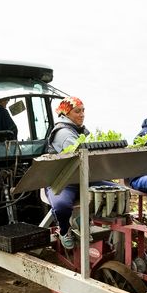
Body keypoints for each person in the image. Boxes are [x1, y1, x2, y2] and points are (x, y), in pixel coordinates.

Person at [46, 97, 90, 249]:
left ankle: (85, 222)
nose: (82, 114)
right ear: (66, 113)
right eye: (77, 111)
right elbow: (80, 153)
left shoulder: (81, 130)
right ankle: (64, 229)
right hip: (63, 181)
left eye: (83, 110)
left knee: (116, 190)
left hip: (83, 177)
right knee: (61, 205)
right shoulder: (63, 133)